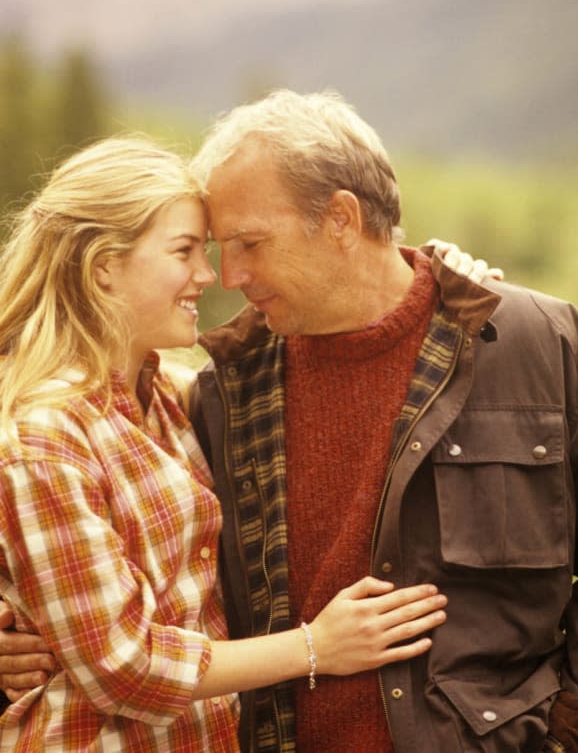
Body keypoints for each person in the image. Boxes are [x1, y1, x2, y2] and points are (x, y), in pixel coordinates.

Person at [1, 92, 578, 751]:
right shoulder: (223, 393)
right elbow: (57, 532)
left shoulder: (536, 345)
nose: (225, 276)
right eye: (206, 248)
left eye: (248, 244)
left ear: (342, 220)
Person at [0, 135, 449, 751]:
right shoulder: (44, 436)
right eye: (185, 251)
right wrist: (317, 647)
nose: (211, 276)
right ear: (102, 265)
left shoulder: (167, 401)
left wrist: (446, 279)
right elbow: (124, 667)